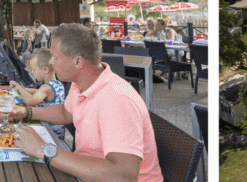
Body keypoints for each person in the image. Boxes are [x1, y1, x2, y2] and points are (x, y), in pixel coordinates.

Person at [11, 23, 162, 182]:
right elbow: (66, 112)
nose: (51, 63)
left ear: (78, 62)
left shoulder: (116, 99)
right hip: (87, 172)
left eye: (55, 57)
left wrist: (44, 149)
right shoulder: (81, 84)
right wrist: (27, 112)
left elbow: (123, 175)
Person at [9, 49, 66, 140]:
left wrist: (20, 87)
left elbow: (30, 101)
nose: (32, 72)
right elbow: (37, 91)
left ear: (45, 69)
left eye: (34, 69)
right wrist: (22, 89)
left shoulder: (46, 88)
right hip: (58, 133)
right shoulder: (57, 84)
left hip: (51, 134)